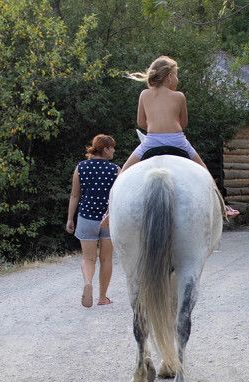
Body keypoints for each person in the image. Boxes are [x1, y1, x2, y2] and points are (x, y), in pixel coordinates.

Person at [119, 55, 239, 217]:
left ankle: (109, 212)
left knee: (123, 173)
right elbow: (183, 124)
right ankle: (223, 208)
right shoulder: (179, 96)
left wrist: (156, 126)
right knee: (205, 172)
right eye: (176, 75)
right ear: (168, 77)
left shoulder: (144, 94)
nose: (177, 79)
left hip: (152, 141)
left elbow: (141, 123)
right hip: (177, 140)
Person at [66, 134, 119, 308]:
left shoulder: (81, 167)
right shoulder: (115, 170)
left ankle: (88, 282)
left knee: (88, 259)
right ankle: (102, 298)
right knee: (106, 259)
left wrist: (70, 219)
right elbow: (118, 198)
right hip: (108, 220)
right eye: (112, 148)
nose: (113, 151)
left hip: (86, 218)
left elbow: (75, 195)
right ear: (105, 149)